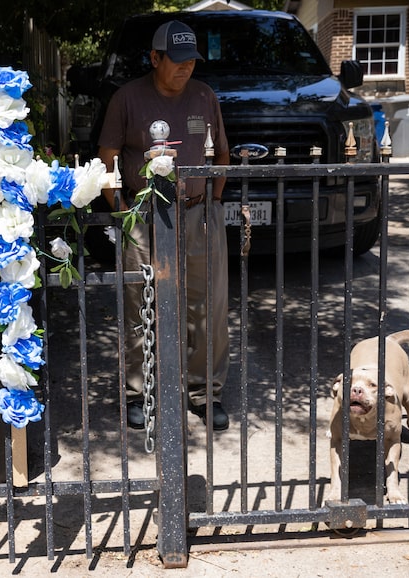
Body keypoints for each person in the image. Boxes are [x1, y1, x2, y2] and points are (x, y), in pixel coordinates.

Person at [97, 20, 231, 431]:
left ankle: (204, 392)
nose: (185, 68)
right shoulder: (127, 98)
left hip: (196, 212)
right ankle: (139, 392)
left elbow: (221, 155)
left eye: (191, 60)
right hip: (143, 211)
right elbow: (108, 158)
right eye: (177, 61)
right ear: (154, 58)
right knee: (141, 302)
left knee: (207, 305)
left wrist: (211, 202)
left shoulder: (205, 95)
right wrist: (121, 210)